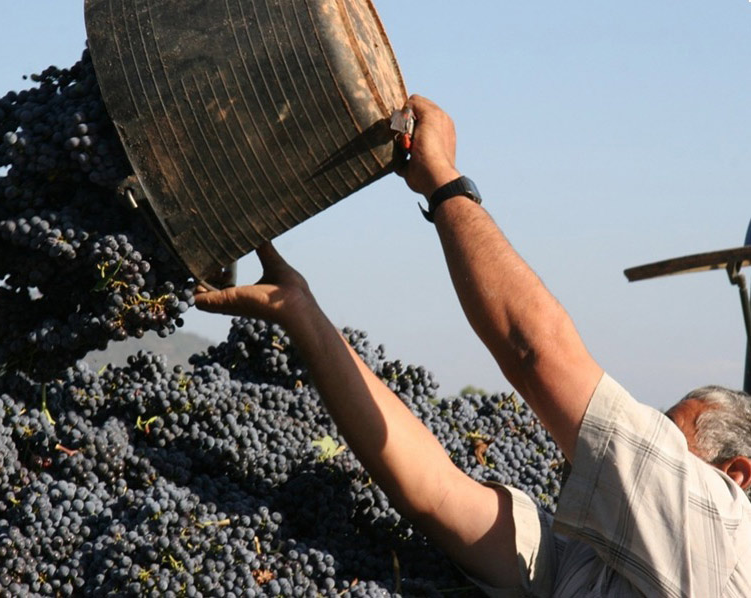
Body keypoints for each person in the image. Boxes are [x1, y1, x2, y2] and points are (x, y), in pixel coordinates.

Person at [195, 95, 751, 597]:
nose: (646, 444)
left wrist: (442, 181)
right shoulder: (600, 565)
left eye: (667, 439)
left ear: (737, 478)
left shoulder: (722, 538)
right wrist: (300, 311)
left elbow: (536, 352)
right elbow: (438, 494)